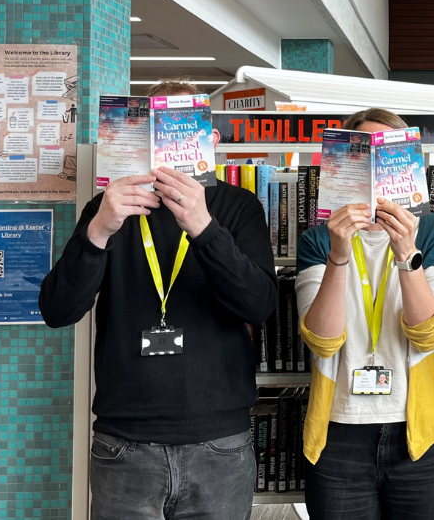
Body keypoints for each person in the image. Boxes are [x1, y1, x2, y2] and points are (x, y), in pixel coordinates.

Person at [39, 79, 277, 520]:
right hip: (124, 443)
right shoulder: (106, 208)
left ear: (211, 141)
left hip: (219, 443)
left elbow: (259, 305)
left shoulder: (238, 207)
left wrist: (204, 228)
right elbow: (57, 310)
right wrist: (99, 230)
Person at [296, 107, 434, 520]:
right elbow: (322, 341)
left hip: (419, 434)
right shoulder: (319, 238)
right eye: (360, 156)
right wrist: (338, 255)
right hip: (338, 435)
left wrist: (406, 252)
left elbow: (430, 334)